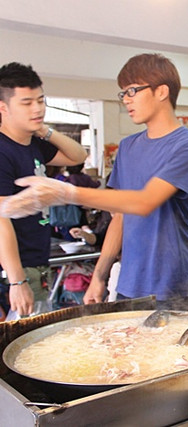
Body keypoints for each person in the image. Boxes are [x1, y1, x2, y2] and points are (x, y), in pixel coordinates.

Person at [0, 53, 188, 311]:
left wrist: (66, 193)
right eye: (123, 94)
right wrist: (99, 276)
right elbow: (120, 216)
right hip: (128, 284)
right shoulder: (128, 147)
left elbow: (144, 202)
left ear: (162, 91)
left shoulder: (187, 145)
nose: (126, 100)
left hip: (172, 286)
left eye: (132, 91)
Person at [0, 62, 88, 317]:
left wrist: (44, 130)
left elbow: (77, 155)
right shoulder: (3, 150)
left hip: (36, 263)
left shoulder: (33, 144)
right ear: (3, 108)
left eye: (40, 100)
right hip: (16, 270)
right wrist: (17, 281)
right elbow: (1, 218)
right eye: (26, 103)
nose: (37, 108)